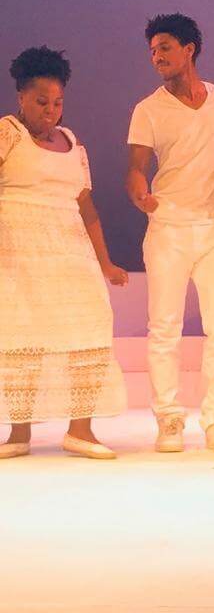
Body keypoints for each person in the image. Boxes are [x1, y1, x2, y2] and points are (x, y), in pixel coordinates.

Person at [0, 46, 127, 459]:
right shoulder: (8, 134)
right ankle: (18, 434)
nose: (51, 111)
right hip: (18, 252)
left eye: (57, 103)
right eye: (41, 102)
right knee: (24, 337)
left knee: (88, 329)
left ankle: (81, 430)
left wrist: (105, 263)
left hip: (71, 254)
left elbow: (86, 208)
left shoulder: (73, 143)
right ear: (20, 96)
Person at [126, 13, 214, 453]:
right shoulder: (148, 108)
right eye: (153, 50)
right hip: (169, 227)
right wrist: (140, 193)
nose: (157, 56)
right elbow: (136, 169)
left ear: (189, 49)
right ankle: (169, 419)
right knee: (164, 328)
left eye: (165, 48)